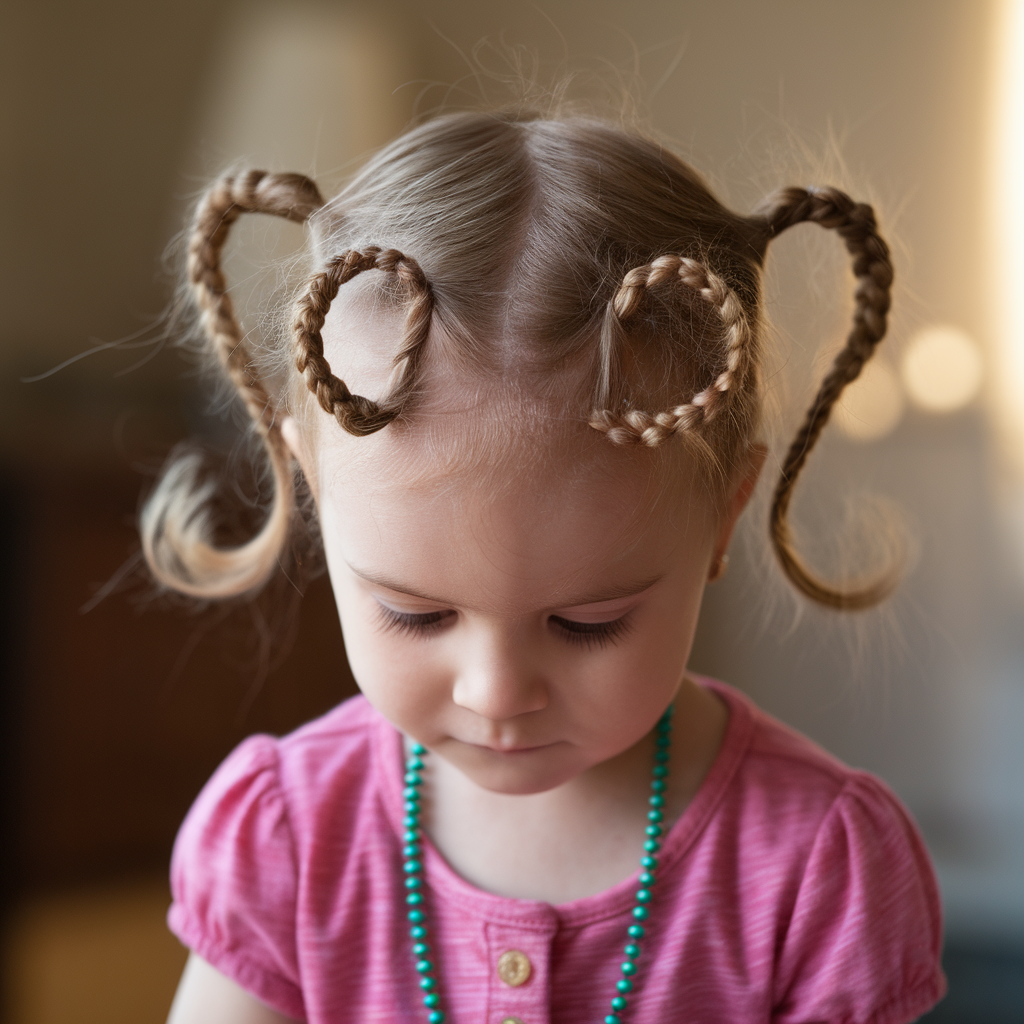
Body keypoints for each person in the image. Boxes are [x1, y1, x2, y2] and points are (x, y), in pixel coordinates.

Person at [155, 110, 946, 1023]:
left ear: (726, 515)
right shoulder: (283, 840)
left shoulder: (821, 872)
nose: (497, 694)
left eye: (588, 621)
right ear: (316, 497)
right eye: (416, 615)